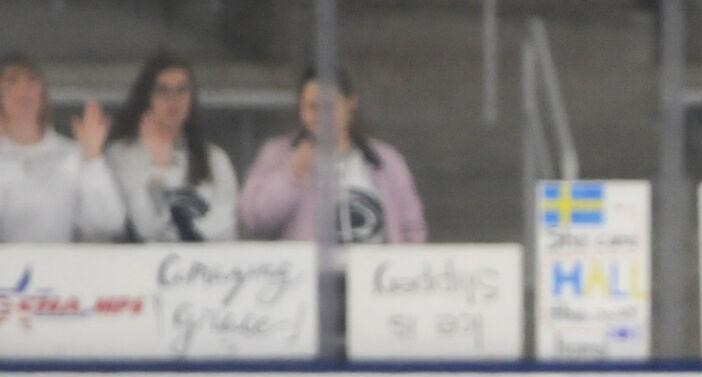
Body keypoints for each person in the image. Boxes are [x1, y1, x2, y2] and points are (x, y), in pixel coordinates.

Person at [239, 67, 427, 244]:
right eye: (312, 107)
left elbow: (413, 229)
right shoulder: (277, 154)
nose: (321, 116)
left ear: (350, 105)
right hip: (311, 276)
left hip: (373, 273)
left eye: (328, 106)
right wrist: (292, 174)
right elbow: (254, 222)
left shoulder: (385, 160)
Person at [105, 52, 237, 242]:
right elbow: (145, 226)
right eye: (163, 90)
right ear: (147, 97)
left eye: (182, 90)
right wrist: (158, 168)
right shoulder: (122, 154)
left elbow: (226, 223)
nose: (173, 99)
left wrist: (182, 233)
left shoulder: (215, 158)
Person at [0, 54, 126, 243]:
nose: (22, 91)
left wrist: (93, 158)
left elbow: (109, 222)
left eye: (31, 82)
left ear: (43, 94)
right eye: (11, 83)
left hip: (59, 268)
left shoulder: (71, 155)